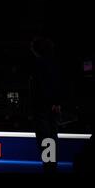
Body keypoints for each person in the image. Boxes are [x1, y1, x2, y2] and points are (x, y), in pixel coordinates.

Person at [30, 37, 62, 173]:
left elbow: (43, 86)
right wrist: (57, 102)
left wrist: (53, 102)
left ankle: (49, 169)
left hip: (43, 108)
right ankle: (51, 167)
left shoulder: (39, 64)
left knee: (46, 139)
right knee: (51, 138)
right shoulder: (54, 63)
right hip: (50, 107)